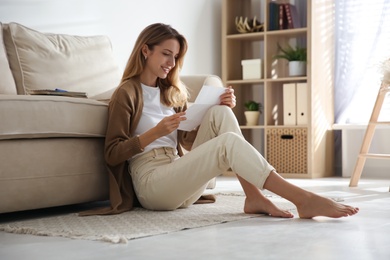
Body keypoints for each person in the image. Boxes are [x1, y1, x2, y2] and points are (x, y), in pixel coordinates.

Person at [99, 23, 359, 219]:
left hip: (178, 178)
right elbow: (112, 154)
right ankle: (302, 199)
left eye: (175, 56)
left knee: (220, 113)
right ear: (146, 50)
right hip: (152, 186)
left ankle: (253, 196)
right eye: (166, 54)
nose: (171, 62)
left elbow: (187, 140)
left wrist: (213, 107)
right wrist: (153, 133)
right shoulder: (127, 93)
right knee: (227, 144)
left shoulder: (172, 93)